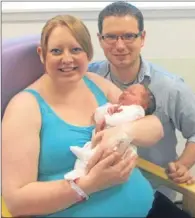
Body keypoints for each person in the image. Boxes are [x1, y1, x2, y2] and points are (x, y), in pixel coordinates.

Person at [2, 15, 164, 217]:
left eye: (76, 49)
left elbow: (155, 127)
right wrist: (87, 185)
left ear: (88, 53)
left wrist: (123, 132)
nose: (67, 58)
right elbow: (17, 201)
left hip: (150, 207)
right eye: (56, 51)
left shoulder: (95, 83)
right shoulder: (24, 107)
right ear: (42, 54)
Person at [88, 1, 195, 199]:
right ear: (100, 39)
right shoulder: (87, 78)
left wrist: (182, 164)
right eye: (111, 37)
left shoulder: (170, 86)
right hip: (96, 192)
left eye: (129, 36)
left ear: (143, 38)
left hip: (154, 193)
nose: (120, 45)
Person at [64, 84, 156, 181]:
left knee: (99, 155)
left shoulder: (137, 111)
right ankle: (79, 172)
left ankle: (84, 168)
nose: (125, 92)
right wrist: (107, 110)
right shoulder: (114, 106)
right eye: (126, 90)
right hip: (99, 140)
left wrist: (108, 118)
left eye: (131, 93)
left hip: (118, 145)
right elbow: (97, 115)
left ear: (143, 105)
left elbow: (122, 119)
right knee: (89, 149)